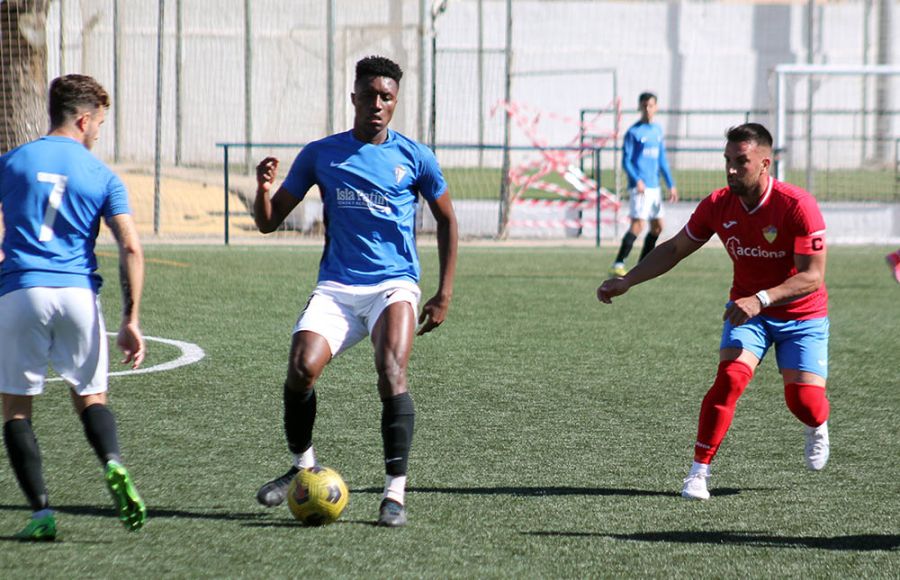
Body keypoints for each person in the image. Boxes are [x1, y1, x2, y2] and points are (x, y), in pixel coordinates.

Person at [253, 55, 458, 527]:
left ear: (396, 101)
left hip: (394, 284)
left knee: (390, 369)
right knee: (302, 367)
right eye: (369, 95)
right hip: (338, 287)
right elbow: (269, 223)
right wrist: (263, 189)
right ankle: (302, 467)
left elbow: (447, 218)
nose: (377, 104)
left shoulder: (416, 157)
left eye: (386, 97)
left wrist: (443, 292)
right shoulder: (321, 153)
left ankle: (394, 494)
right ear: (353, 98)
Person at [597, 123, 831, 500]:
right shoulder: (718, 204)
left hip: (801, 315)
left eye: (742, 161)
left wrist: (763, 298)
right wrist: (628, 280)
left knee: (803, 402)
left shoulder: (797, 206)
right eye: (727, 161)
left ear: (765, 164)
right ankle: (698, 473)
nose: (731, 169)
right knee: (730, 380)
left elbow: (812, 277)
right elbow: (673, 249)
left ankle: (817, 424)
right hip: (747, 313)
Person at [0, 74, 147, 540]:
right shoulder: (102, 175)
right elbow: (131, 248)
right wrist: (131, 319)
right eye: (99, 123)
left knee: (16, 410)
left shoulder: (11, 161)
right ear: (83, 120)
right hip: (78, 295)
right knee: (90, 397)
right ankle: (113, 463)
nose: (99, 132)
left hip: (22, 291)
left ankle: (41, 515)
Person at [609, 92, 678, 277]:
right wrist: (636, 180)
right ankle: (618, 262)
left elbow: (662, 160)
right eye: (645, 106)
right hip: (640, 187)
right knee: (638, 225)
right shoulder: (633, 132)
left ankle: (644, 264)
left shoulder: (657, 131)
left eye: (651, 105)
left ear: (656, 107)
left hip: (654, 187)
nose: (648, 109)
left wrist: (671, 184)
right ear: (640, 107)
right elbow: (626, 161)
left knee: (657, 227)